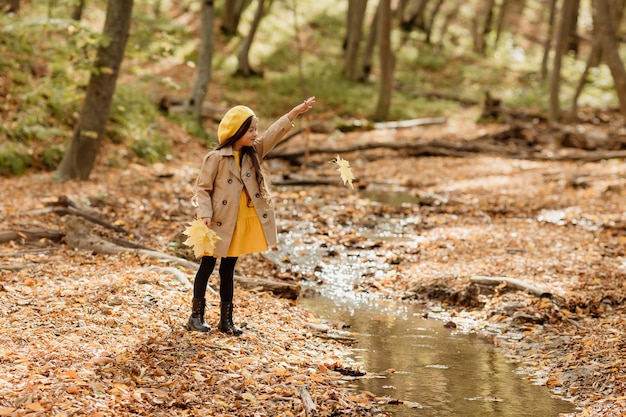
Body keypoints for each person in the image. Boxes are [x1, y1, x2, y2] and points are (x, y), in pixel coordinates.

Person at [187, 96, 316, 335]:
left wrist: (293, 113)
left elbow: (274, 133)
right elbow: (203, 189)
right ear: (236, 131)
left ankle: (226, 320)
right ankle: (196, 316)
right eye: (250, 130)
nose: (255, 134)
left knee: (228, 269)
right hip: (216, 221)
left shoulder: (253, 153)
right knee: (206, 265)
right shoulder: (215, 158)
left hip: (238, 221)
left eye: (256, 129)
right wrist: (204, 213)